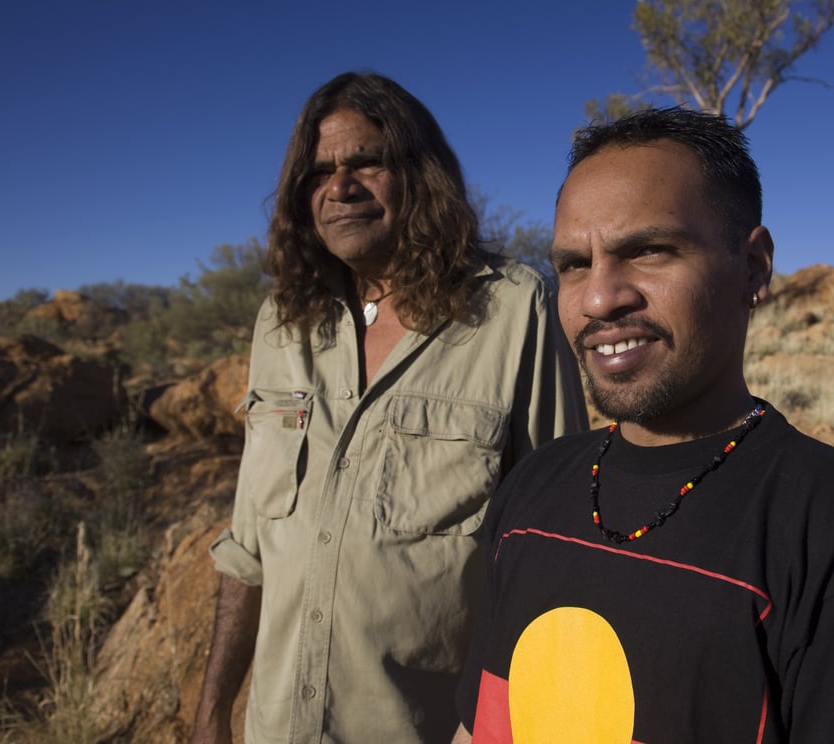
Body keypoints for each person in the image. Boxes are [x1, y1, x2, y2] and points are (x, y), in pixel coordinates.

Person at [453, 107, 834, 743]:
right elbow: (482, 724)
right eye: (572, 264)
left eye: (648, 250)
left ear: (753, 268)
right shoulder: (531, 489)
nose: (599, 297)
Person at [190, 72, 587, 744]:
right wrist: (211, 713)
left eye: (365, 161)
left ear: (420, 172)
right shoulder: (283, 321)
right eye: (318, 172)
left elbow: (554, 553)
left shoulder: (515, 309)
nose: (339, 186)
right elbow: (251, 547)